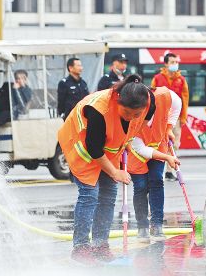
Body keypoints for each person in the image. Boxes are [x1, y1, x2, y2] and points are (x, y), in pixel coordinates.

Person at [57, 74, 153, 264]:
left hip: (108, 149)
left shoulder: (148, 100)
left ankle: (100, 245)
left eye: (136, 114)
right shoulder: (98, 111)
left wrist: (128, 139)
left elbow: (137, 124)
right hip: (82, 147)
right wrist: (115, 172)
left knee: (108, 196)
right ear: (118, 101)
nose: (131, 118)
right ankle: (81, 247)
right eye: (127, 113)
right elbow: (93, 148)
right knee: (90, 195)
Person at [126, 87, 182, 242]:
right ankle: (142, 226)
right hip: (138, 154)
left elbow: (178, 103)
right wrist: (167, 157)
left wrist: (169, 127)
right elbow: (141, 149)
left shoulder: (163, 96)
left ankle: (157, 224)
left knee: (157, 180)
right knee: (141, 186)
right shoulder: (131, 119)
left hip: (158, 144)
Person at [151, 53, 189, 180]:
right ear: (166, 64)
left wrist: (183, 117)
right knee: (161, 144)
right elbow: (153, 97)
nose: (175, 64)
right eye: (172, 62)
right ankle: (161, 170)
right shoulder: (157, 78)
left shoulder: (181, 80)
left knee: (175, 144)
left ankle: (169, 170)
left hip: (176, 118)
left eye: (176, 61)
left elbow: (185, 99)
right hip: (160, 119)